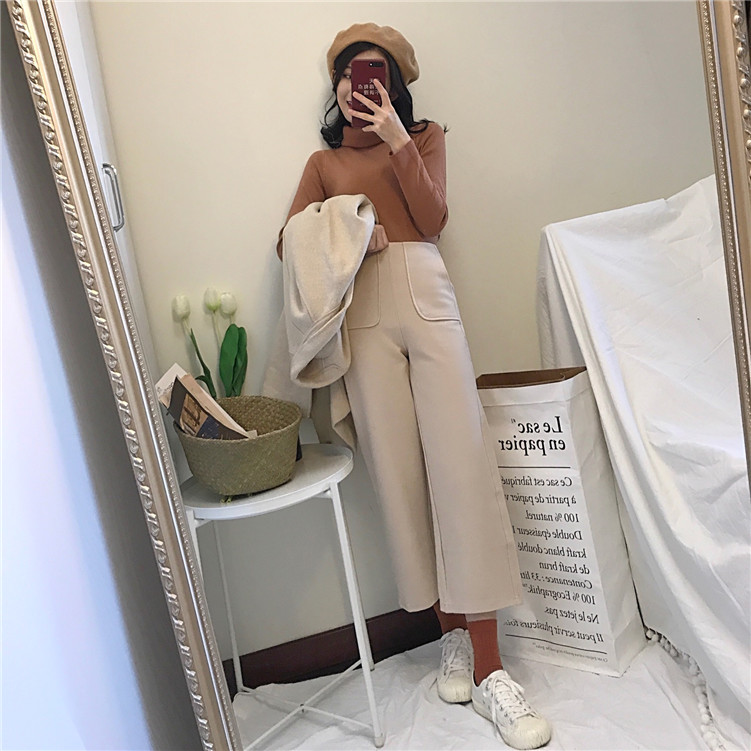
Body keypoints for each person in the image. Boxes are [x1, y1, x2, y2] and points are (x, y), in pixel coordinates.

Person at [277, 22, 552, 750]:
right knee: (399, 480)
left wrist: (399, 139)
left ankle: (491, 667)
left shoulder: (423, 137)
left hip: (426, 296)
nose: (356, 84)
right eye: (346, 73)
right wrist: (347, 225)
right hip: (362, 314)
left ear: (394, 86)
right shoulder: (323, 162)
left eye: (372, 73)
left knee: (462, 469)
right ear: (335, 86)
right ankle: (449, 634)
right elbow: (287, 242)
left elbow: (432, 218)